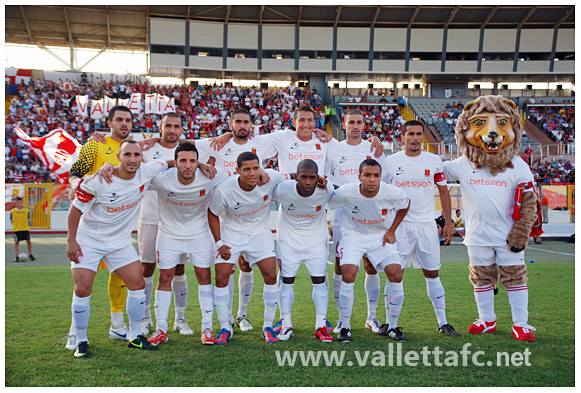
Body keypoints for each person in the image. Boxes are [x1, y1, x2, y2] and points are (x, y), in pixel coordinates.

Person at [66, 140, 169, 358]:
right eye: (127, 154)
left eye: (136, 155)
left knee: (137, 283)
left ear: (142, 157)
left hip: (119, 242)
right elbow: (75, 210)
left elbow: (170, 162)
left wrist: (200, 165)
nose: (132, 159)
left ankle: (134, 336)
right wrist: (71, 241)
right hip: (89, 241)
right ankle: (81, 340)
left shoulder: (147, 171)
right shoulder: (99, 181)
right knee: (83, 288)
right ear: (118, 158)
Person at [144, 143, 226, 345]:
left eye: (192, 161)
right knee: (165, 276)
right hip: (169, 236)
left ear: (198, 162)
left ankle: (207, 328)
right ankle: (161, 328)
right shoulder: (162, 179)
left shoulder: (211, 175)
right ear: (175, 163)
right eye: (182, 161)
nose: (188, 166)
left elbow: (241, 176)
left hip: (199, 235)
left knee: (204, 276)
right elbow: (140, 171)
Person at [65, 106, 133, 350]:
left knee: (120, 275)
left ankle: (117, 326)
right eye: (119, 120)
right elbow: (75, 172)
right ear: (110, 122)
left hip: (118, 226)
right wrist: (78, 184)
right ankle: (75, 332)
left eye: (128, 120)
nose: (124, 124)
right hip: (91, 224)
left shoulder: (134, 150)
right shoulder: (95, 145)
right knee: (83, 282)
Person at [384, 120, 460, 337]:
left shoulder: (434, 161)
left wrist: (448, 222)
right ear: (403, 136)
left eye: (419, 134)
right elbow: (383, 192)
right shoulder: (391, 162)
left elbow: (443, 192)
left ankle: (442, 322)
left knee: (432, 272)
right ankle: (391, 325)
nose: (415, 138)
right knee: (395, 274)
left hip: (427, 225)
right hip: (401, 226)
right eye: (411, 134)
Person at [328, 159, 410, 342]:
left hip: (379, 237)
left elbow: (406, 204)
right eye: (367, 175)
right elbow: (327, 197)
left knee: (396, 273)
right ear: (359, 177)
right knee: (348, 273)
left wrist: (392, 230)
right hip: (353, 237)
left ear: (381, 177)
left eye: (376, 175)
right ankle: (345, 326)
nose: (372, 179)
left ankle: (392, 326)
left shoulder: (392, 192)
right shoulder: (346, 192)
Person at [208, 152, 284, 344]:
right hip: (231, 232)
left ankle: (267, 326)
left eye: (255, 168)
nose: (252, 173)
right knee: (221, 277)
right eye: (247, 169)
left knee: (271, 275)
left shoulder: (272, 178)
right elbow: (212, 213)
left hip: (259, 233)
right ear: (237, 170)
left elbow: (293, 179)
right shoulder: (224, 189)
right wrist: (219, 243)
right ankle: (225, 326)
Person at [325, 109, 388, 334]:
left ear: (364, 125)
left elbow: (386, 180)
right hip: (344, 217)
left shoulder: (374, 149)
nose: (355, 126)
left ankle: (371, 317)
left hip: (371, 217)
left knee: (371, 265)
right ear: (344, 124)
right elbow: (327, 182)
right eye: (351, 122)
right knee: (343, 267)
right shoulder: (333, 149)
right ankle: (342, 319)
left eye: (359, 122)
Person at [137, 112, 193, 337]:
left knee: (178, 269)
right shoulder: (146, 149)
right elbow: (124, 152)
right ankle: (146, 318)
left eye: (176, 126)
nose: (172, 130)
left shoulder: (189, 149)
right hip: (150, 216)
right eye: (167, 126)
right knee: (147, 268)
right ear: (160, 128)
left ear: (181, 129)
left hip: (177, 220)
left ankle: (180, 319)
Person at [272, 159, 334, 342]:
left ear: (318, 178)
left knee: (319, 282)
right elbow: (266, 179)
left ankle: (320, 325)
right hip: (288, 244)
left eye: (312, 178)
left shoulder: (326, 189)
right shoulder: (283, 189)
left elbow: (345, 194)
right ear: (296, 177)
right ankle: (286, 324)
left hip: (315, 244)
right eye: (303, 177)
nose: (308, 182)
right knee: (287, 282)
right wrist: (286, 175)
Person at [10, 196, 35, 262]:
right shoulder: (13, 211)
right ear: (16, 203)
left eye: (21, 203)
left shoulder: (26, 210)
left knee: (28, 241)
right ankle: (16, 256)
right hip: (17, 229)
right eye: (18, 203)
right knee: (16, 242)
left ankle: (30, 254)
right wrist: (15, 226)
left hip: (25, 229)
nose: (20, 204)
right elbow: (11, 220)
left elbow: (28, 218)